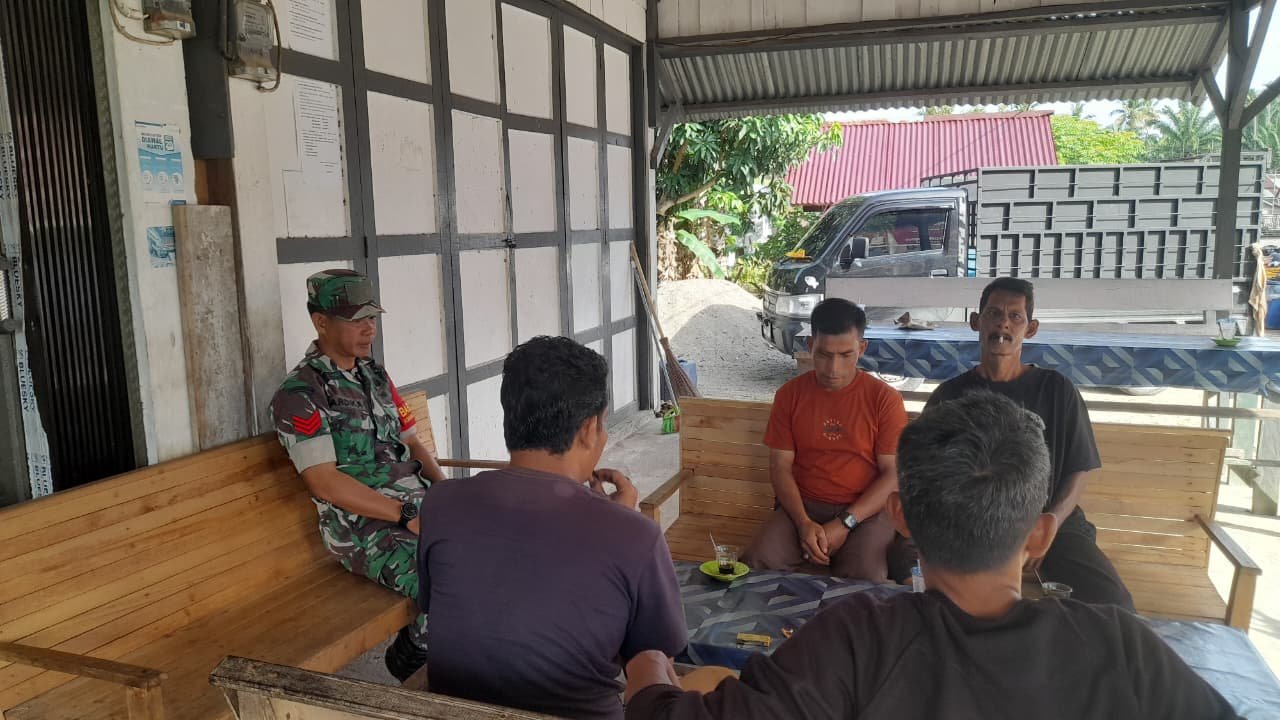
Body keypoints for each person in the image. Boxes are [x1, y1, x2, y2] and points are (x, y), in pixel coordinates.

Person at [623, 392, 1238, 720]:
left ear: (901, 519)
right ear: (1040, 537)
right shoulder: (1120, 647)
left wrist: (648, 672)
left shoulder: (855, 641)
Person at [416, 336, 687, 720]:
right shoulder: (635, 536)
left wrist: (613, 525)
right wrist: (620, 525)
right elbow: (655, 655)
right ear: (589, 428)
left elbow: (458, 605)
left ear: (509, 418)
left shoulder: (441, 503)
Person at [269, 269, 446, 682]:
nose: (370, 329)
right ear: (321, 322)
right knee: (450, 575)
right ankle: (413, 654)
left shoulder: (376, 376)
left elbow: (413, 443)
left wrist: (449, 493)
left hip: (416, 508)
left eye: (372, 317)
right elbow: (324, 482)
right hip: (362, 528)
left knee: (496, 547)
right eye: (356, 319)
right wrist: (405, 514)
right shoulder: (300, 394)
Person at [926, 277, 1134, 610]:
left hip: (1052, 522)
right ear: (976, 322)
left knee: (1114, 605)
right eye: (994, 314)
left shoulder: (1057, 390)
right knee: (954, 605)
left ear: (1031, 328)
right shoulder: (949, 396)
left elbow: (1078, 471)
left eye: (1015, 316)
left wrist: (1048, 525)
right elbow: (930, 477)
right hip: (975, 526)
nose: (1003, 324)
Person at [743, 298, 909, 582]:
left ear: (862, 349)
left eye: (845, 355)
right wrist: (803, 523)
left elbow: (892, 474)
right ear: (810, 346)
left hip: (866, 511)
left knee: (865, 577)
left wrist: (845, 523)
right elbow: (780, 467)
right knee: (756, 562)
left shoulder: (884, 399)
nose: (834, 368)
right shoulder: (789, 396)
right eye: (823, 354)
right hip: (802, 506)